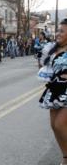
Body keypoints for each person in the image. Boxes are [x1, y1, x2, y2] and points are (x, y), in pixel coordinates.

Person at [39, 18, 67, 165]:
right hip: (55, 89)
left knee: (60, 125)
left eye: (62, 31)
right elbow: (43, 65)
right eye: (58, 30)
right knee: (54, 126)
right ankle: (65, 157)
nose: (58, 33)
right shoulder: (53, 48)